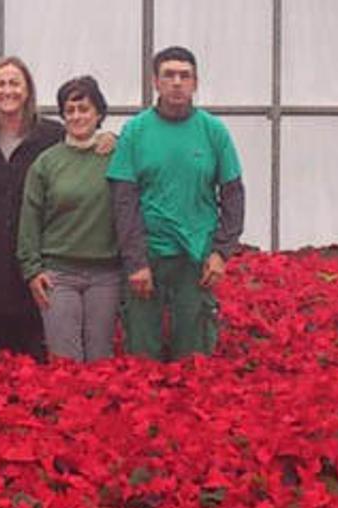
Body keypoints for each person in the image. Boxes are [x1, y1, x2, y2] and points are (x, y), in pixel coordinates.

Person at [0, 56, 112, 362]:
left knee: (37, 351)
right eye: (0, 84)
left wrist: (110, 138)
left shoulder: (50, 134)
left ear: (27, 90)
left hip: (39, 258)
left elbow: (84, 143)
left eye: (14, 83)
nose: (7, 90)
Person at [108, 46, 244, 361]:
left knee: (193, 357)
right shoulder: (135, 132)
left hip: (197, 260)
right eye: (169, 75)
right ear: (155, 81)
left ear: (195, 83)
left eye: (185, 75)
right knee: (142, 358)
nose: (177, 82)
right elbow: (123, 201)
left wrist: (221, 252)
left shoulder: (214, 132)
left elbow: (234, 195)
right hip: (149, 258)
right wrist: (136, 261)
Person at [17, 76, 120, 362]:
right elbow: (30, 218)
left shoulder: (118, 155)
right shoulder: (47, 162)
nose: (77, 116)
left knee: (101, 358)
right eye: (70, 110)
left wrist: (118, 140)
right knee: (65, 361)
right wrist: (31, 269)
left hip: (106, 275)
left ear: (99, 113)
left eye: (84, 109)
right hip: (58, 275)